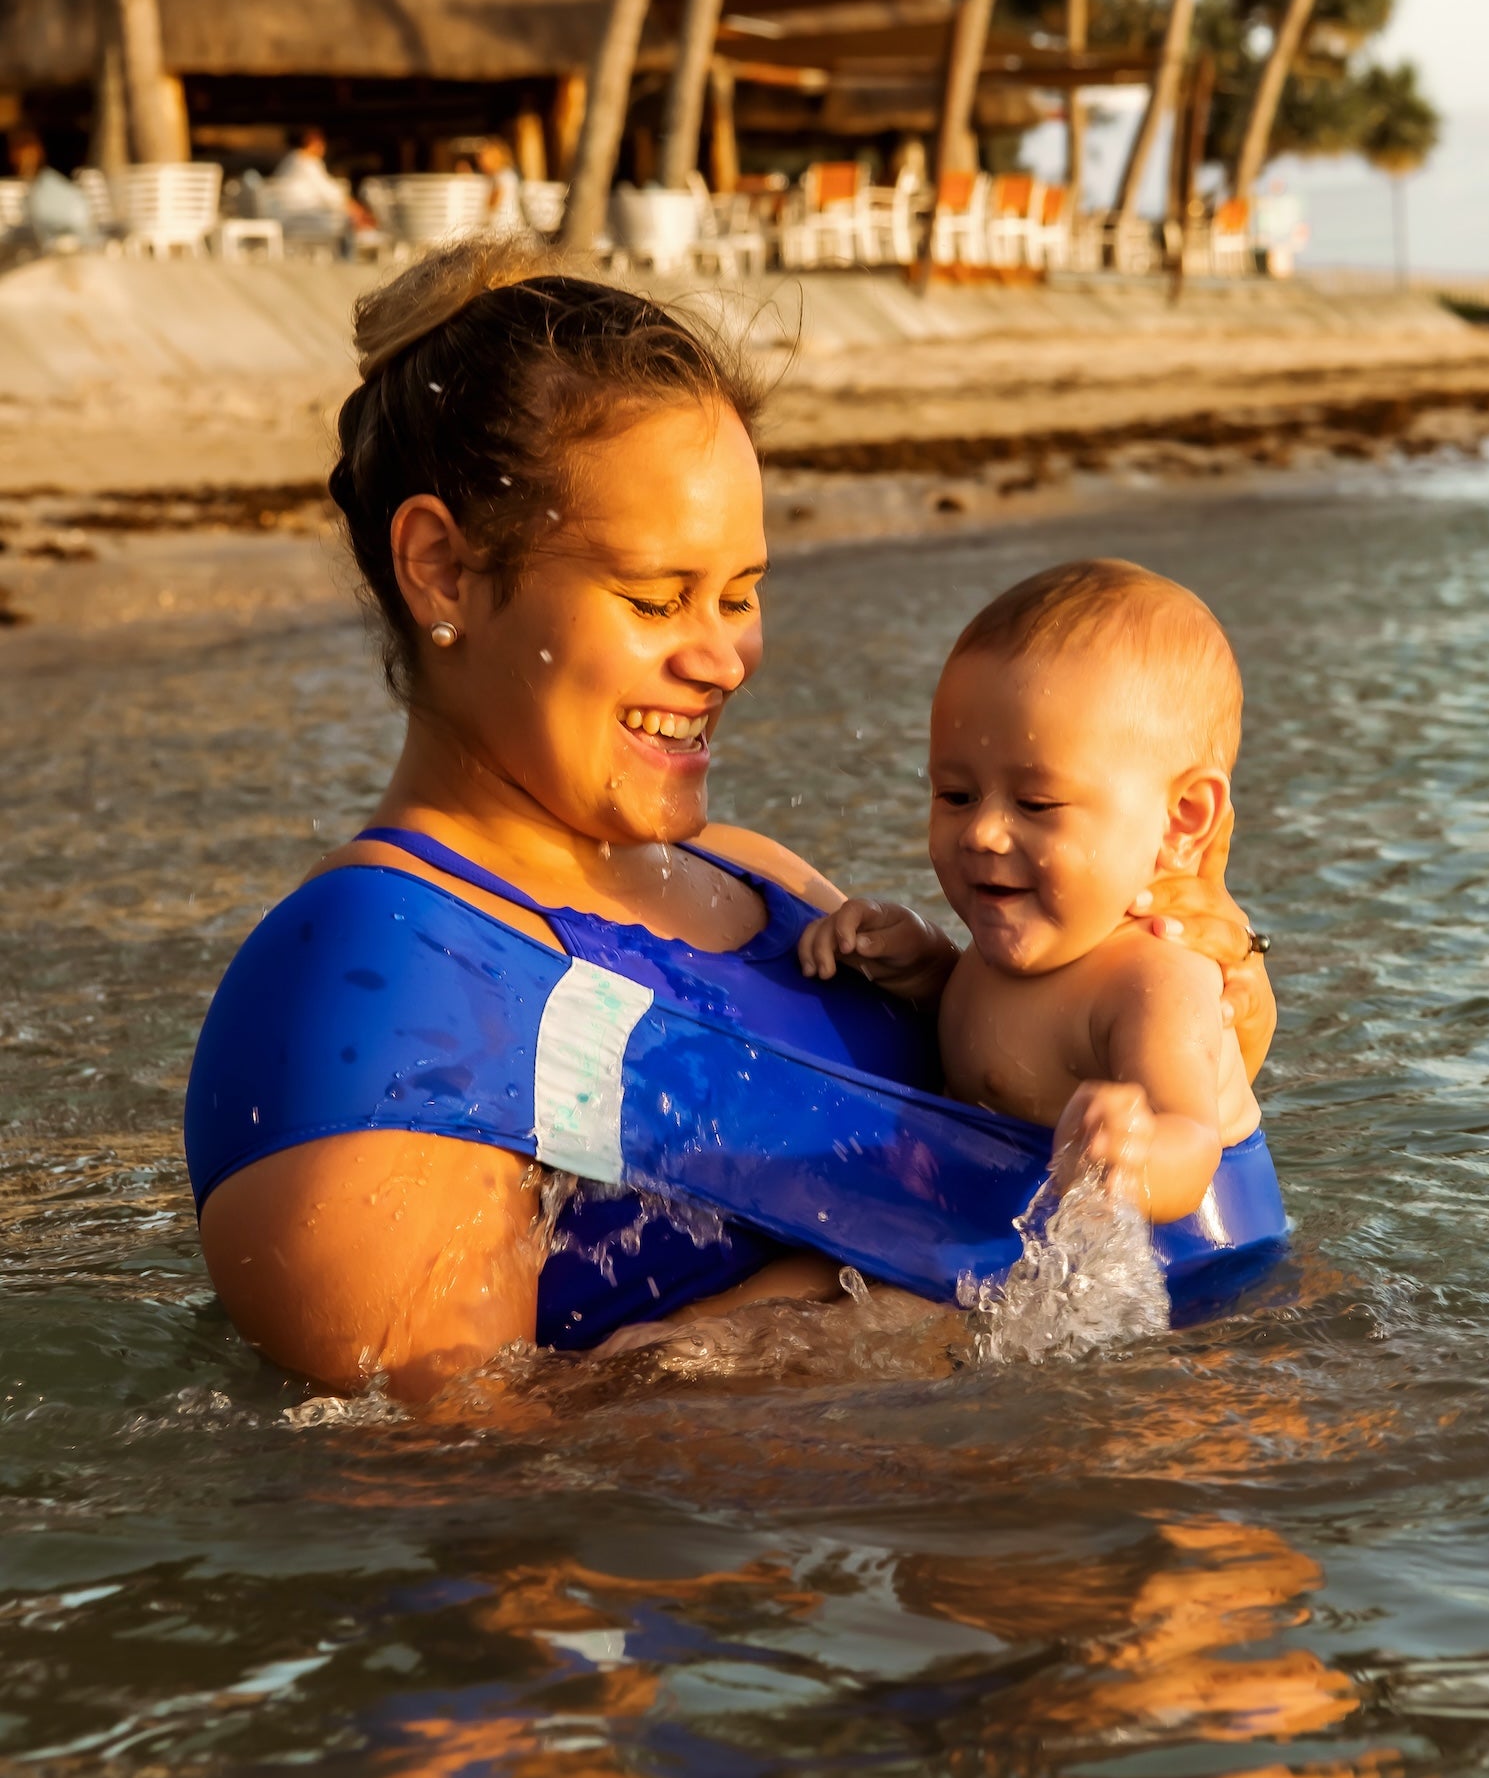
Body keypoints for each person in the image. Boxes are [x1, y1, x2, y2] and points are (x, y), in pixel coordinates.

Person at [187, 242, 1273, 1398]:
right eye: (657, 598)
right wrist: (895, 1337)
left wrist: (1199, 955)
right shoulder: (380, 988)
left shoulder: (763, 883)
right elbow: (466, 1487)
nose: (728, 658)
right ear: (442, 570)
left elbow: (1067, 1076)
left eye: (742, 595)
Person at [798, 561, 1264, 1226]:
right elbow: (1000, 1031)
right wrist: (923, 964)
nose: (984, 832)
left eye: (1038, 803)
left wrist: (1140, 1150)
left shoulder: (1152, 980)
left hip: (1190, 1269)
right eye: (954, 795)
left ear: (1181, 820)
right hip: (981, 1211)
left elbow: (1192, 1142)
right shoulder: (1030, 932)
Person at [262, 127, 363, 253]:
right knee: (350, 218)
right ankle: (348, 258)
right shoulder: (308, 162)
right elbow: (330, 195)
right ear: (312, 142)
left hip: (283, 215)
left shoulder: (291, 160)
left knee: (349, 215)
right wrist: (354, 208)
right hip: (298, 218)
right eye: (321, 143)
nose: (323, 147)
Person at [6, 127, 100, 252]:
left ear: (38, 153)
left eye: (29, 155)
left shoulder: (51, 187)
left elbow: (77, 217)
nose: (24, 161)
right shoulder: (27, 189)